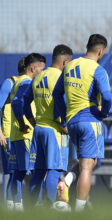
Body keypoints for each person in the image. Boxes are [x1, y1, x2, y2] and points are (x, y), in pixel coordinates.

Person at [53, 34, 111, 211]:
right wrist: (103, 114)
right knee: (87, 167)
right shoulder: (97, 69)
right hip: (90, 120)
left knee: (88, 162)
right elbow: (107, 97)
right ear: (100, 51)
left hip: (72, 123)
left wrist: (65, 117)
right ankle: (79, 210)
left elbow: (57, 94)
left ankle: (67, 181)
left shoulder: (70, 65)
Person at [20, 45, 73, 207]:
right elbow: (60, 103)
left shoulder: (38, 76)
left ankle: (33, 207)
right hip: (54, 131)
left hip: (39, 129)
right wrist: (63, 123)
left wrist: (33, 120)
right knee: (54, 170)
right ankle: (52, 207)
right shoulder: (60, 78)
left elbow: (24, 102)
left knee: (39, 170)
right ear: (65, 62)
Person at [10, 53, 46, 211]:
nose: (43, 73)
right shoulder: (26, 82)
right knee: (32, 171)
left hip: (17, 134)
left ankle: (16, 206)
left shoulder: (18, 82)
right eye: (42, 69)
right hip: (26, 135)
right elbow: (17, 103)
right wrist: (24, 122)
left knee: (18, 173)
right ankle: (35, 205)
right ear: (33, 68)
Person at [0, 57, 25, 208]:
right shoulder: (9, 83)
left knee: (19, 171)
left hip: (21, 135)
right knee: (15, 171)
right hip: (9, 135)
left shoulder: (29, 84)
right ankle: (16, 205)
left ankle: (13, 206)